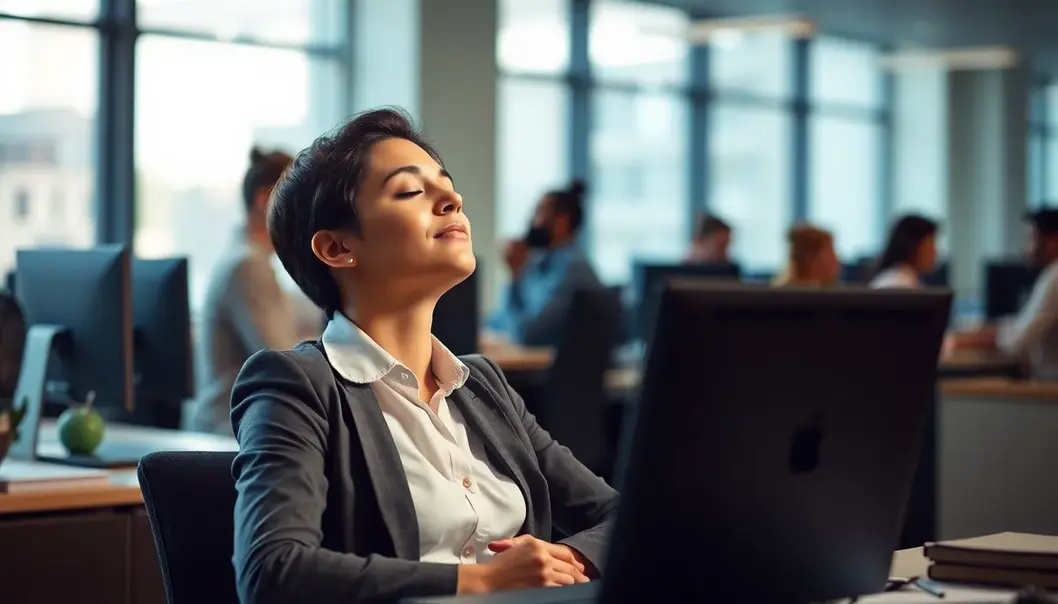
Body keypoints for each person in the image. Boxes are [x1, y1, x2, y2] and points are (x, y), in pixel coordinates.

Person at [230, 108, 618, 604]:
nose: (452, 199)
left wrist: (560, 565)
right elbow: (273, 572)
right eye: (411, 191)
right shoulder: (295, 385)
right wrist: (483, 582)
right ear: (336, 247)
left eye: (447, 185)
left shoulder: (482, 385)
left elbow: (622, 516)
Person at [187, 148, 307, 435]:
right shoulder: (248, 267)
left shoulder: (249, 260)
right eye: (301, 203)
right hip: (228, 435)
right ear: (265, 200)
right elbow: (284, 361)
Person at [487, 181, 601, 347]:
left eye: (539, 212)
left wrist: (515, 274)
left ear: (562, 221)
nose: (532, 220)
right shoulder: (537, 265)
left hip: (550, 370)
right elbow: (499, 321)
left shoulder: (571, 270)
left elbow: (526, 334)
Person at [989, 209, 1058, 379]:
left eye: (1031, 238)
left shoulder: (1055, 277)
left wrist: (987, 336)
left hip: (1049, 393)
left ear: (1052, 240)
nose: (1026, 248)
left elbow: (1019, 341)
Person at [869, 215, 940, 289]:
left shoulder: (908, 279)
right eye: (931, 245)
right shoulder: (898, 283)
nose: (935, 251)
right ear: (913, 246)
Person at [772, 224, 840, 287]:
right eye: (831, 252)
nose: (836, 259)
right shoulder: (781, 297)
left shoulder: (830, 292)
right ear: (812, 258)